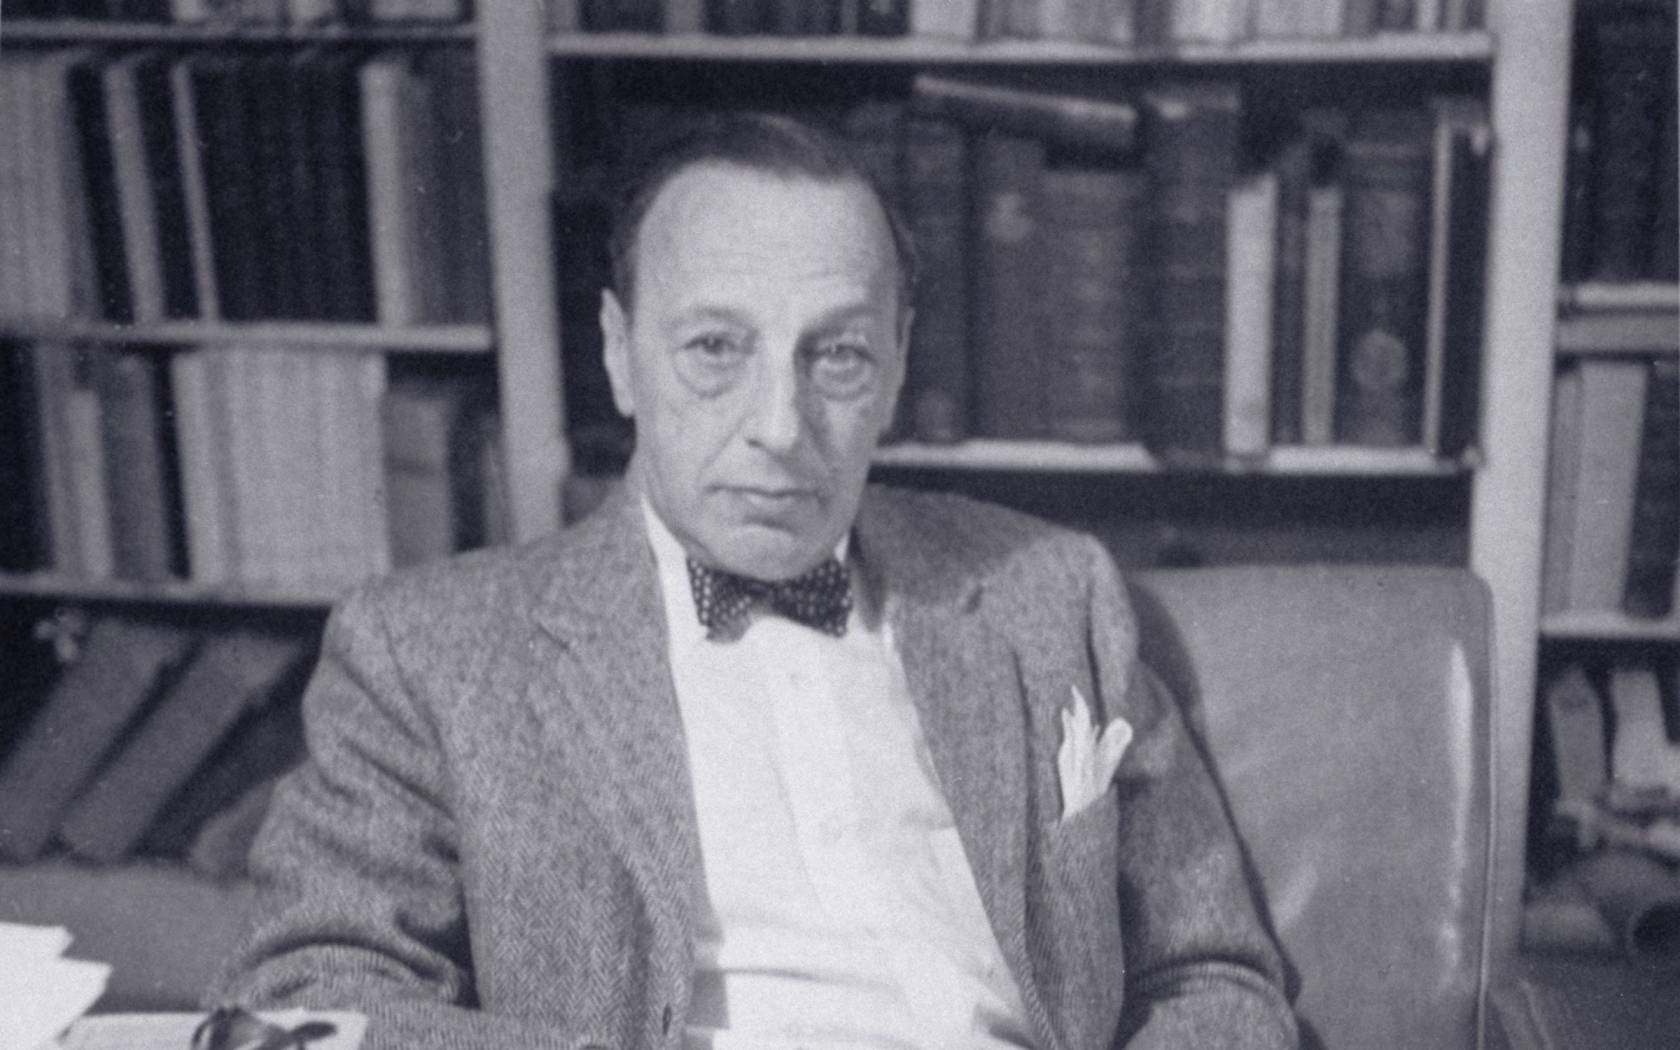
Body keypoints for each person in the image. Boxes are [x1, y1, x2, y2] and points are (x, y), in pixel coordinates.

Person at [211, 112, 1299, 1050]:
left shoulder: (1051, 595)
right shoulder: (429, 652)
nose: (780, 430)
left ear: (899, 365)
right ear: (619, 352)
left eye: (837, 357)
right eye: (715, 349)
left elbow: (1216, 980)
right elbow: (310, 1004)